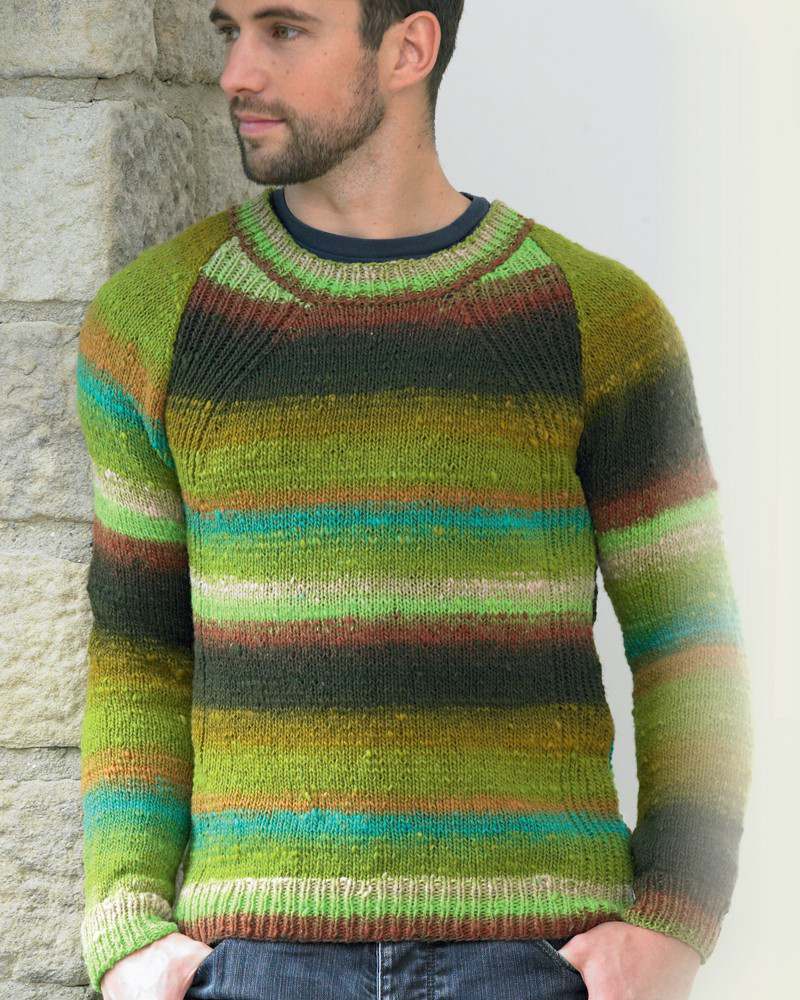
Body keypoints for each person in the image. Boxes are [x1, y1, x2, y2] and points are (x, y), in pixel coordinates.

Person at [74, 2, 753, 998]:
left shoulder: (596, 320)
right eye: (229, 31)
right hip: (254, 961)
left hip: (531, 955)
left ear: (408, 48)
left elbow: (687, 641)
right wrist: (126, 924)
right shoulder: (153, 322)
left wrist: (675, 922)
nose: (235, 72)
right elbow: (140, 650)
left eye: (283, 30)